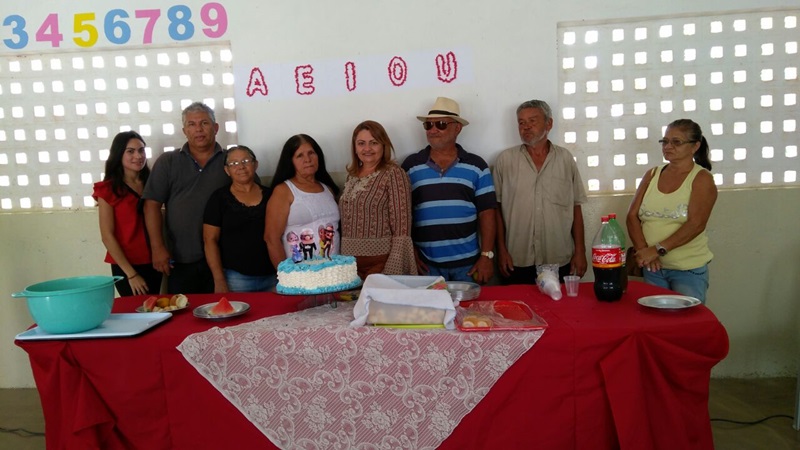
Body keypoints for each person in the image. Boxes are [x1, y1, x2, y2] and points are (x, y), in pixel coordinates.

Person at [401, 97, 497, 283]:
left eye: (441, 124)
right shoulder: (411, 166)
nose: (433, 130)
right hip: (425, 265)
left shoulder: (477, 165)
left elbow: (487, 212)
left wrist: (487, 255)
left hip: (468, 265)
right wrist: (410, 252)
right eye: (428, 125)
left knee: (471, 304)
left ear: (457, 128)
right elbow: (401, 214)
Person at [493, 100, 588, 284]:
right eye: (521, 122)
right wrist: (501, 250)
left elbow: (575, 207)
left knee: (559, 302)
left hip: (558, 257)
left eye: (532, 121)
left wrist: (580, 251)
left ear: (549, 123)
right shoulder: (505, 161)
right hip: (516, 259)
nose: (526, 127)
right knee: (517, 303)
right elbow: (496, 209)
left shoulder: (565, 159)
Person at [626, 119, 717, 302]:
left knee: (686, 318)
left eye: (676, 142)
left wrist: (657, 250)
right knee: (654, 318)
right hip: (653, 267)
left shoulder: (701, 179)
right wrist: (645, 251)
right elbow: (632, 216)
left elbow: (696, 224)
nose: (668, 147)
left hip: (687, 270)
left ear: (695, 146)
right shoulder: (652, 174)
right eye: (665, 141)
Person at [142, 102, 229, 294]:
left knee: (227, 310)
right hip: (181, 259)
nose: (198, 129)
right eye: (192, 124)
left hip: (225, 259)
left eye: (204, 123)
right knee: (183, 310)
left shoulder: (231, 160)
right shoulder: (168, 161)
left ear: (216, 128)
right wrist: (157, 247)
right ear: (184, 131)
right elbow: (151, 206)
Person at [339, 120, 416, 279]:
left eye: (374, 143)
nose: (367, 149)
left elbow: (402, 228)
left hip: (380, 262)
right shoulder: (351, 176)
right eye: (361, 143)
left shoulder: (393, 174)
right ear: (355, 147)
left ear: (384, 145)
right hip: (349, 265)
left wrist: (392, 267)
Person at [92, 131, 162, 296]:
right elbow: (107, 236)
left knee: (156, 307)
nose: (138, 156)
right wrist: (131, 274)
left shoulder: (152, 183)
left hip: (155, 261)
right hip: (126, 265)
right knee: (135, 308)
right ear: (118, 155)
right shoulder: (108, 189)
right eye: (130, 151)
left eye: (141, 150)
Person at [203, 145, 276, 292]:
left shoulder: (272, 195)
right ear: (227, 170)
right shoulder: (218, 198)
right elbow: (210, 240)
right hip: (236, 278)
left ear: (255, 164)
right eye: (234, 163)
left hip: (274, 275)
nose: (241, 167)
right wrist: (219, 279)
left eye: (246, 161)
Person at [264, 134, 340, 270]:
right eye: (300, 155)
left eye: (311, 153)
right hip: (299, 273)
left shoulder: (328, 189)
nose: (308, 160)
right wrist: (286, 274)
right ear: (290, 161)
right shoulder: (284, 191)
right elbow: (271, 238)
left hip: (334, 271)